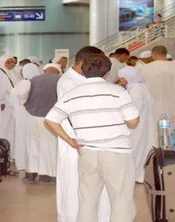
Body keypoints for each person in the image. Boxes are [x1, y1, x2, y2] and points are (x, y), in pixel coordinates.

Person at [45, 53, 139, 222]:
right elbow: (133, 121)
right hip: (117, 152)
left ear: (83, 68)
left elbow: (51, 120)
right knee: (121, 201)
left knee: (87, 201)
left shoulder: (73, 93)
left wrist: (70, 141)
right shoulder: (117, 91)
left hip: (87, 152)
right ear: (107, 72)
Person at [54, 46, 111, 222]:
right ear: (83, 63)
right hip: (77, 143)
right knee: (75, 187)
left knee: (96, 188)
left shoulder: (86, 79)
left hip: (94, 142)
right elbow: (72, 116)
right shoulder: (68, 82)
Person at [15, 63, 61, 184]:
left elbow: (21, 94)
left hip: (33, 117)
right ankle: (46, 176)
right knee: (49, 147)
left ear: (44, 70)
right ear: (58, 71)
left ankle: (31, 175)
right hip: (52, 119)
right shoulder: (60, 81)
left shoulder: (32, 80)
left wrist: (25, 103)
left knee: (33, 146)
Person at [140, 45, 175, 145]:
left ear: (153, 55)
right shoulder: (174, 67)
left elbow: (141, 88)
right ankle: (166, 151)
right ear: (165, 54)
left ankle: (154, 153)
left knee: (152, 132)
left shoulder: (145, 68)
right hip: (167, 108)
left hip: (150, 107)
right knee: (166, 129)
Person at [117, 73, 154, 183]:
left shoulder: (136, 90)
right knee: (140, 149)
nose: (120, 81)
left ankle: (133, 175)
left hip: (135, 127)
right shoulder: (138, 87)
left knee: (135, 149)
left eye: (121, 78)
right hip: (140, 125)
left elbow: (134, 110)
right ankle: (136, 174)